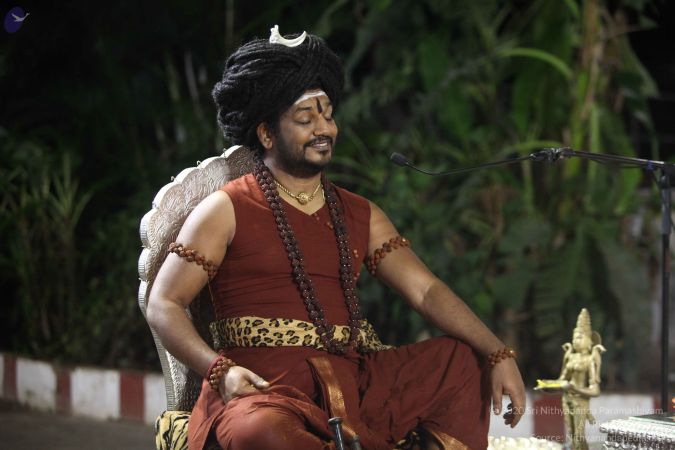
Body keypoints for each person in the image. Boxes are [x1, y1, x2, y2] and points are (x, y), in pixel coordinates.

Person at [146, 25, 526, 450]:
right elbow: (164, 303)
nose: (324, 128)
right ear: (267, 133)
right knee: (260, 430)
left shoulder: (360, 212)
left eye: (327, 115)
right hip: (265, 390)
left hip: (354, 383)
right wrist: (220, 371)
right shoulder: (226, 208)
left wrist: (497, 352)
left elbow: (425, 291)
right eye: (305, 119)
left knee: (461, 361)